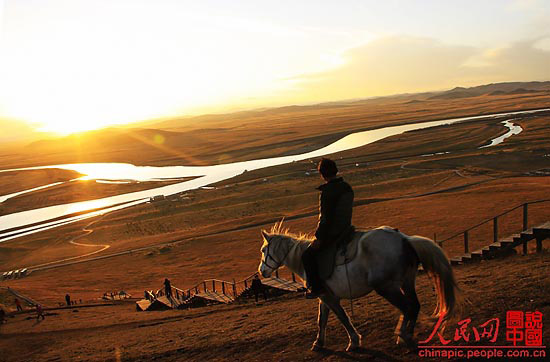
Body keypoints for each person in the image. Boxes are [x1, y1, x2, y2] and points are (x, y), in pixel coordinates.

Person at [302, 158, 354, 298]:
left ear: (322, 174)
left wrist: (319, 237)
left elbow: (325, 218)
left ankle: (317, 288)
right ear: (335, 170)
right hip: (347, 228)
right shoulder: (346, 186)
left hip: (334, 233)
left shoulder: (327, 192)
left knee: (307, 256)